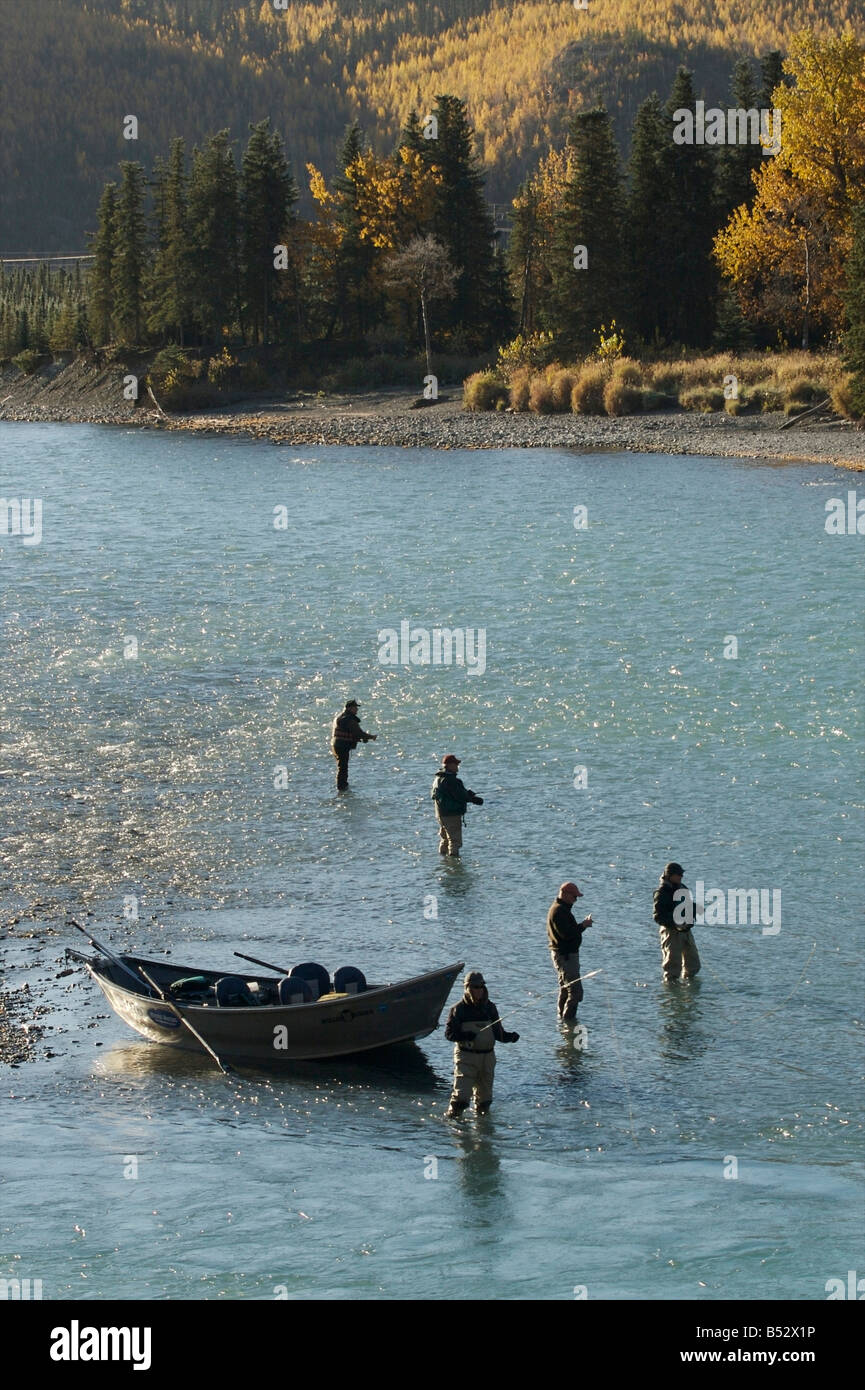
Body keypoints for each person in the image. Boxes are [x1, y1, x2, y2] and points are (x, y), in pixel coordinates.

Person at [444, 971, 518, 1117]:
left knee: (485, 1102)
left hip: (488, 1059)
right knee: (461, 1100)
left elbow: (499, 1034)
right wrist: (465, 1036)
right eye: (475, 987)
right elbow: (449, 1035)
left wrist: (510, 1037)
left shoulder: (490, 1008)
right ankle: (454, 1127)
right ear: (467, 988)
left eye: (481, 986)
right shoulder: (458, 1009)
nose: (479, 990)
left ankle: (483, 1134)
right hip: (466, 1058)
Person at [547, 881, 593, 1023]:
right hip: (566, 957)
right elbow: (567, 934)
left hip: (564, 956)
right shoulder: (559, 911)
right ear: (565, 895)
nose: (576, 900)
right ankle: (569, 1022)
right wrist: (583, 925)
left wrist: (581, 926)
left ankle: (562, 1020)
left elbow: (568, 933)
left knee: (565, 990)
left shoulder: (560, 909)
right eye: (574, 897)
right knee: (576, 992)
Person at [653, 861, 701, 981]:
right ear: (670, 876)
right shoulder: (661, 893)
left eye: (681, 874)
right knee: (672, 968)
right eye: (678, 874)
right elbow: (658, 916)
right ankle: (672, 992)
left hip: (686, 932)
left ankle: (689, 989)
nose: (681, 877)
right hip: (671, 932)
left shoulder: (683, 889)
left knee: (694, 964)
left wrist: (694, 913)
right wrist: (675, 923)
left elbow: (689, 906)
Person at [430, 754, 483, 857]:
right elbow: (460, 795)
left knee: (445, 839)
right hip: (451, 815)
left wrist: (468, 794)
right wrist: (473, 799)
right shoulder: (452, 780)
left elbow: (453, 793)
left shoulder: (438, 778)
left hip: (441, 814)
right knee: (455, 841)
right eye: (456, 764)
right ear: (449, 765)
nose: (458, 767)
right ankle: (453, 863)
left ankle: (443, 861)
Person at [330, 699, 376, 790]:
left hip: (336, 745)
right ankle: (342, 787)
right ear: (350, 708)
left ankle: (342, 786)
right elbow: (358, 733)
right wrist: (371, 737)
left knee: (342, 766)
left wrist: (364, 738)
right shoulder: (348, 719)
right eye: (355, 708)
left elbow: (352, 733)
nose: (357, 710)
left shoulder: (340, 717)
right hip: (341, 746)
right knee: (343, 767)